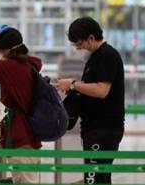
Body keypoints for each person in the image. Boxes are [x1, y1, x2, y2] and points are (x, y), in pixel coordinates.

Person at [55, 17, 124, 184]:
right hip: (95, 129)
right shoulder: (96, 57)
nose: (79, 49)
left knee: (94, 179)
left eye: (79, 44)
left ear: (91, 38)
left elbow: (101, 90)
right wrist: (73, 86)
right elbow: (90, 87)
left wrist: (73, 84)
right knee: (100, 178)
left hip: (103, 130)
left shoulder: (107, 56)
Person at [0, 25, 42, 184]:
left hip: (21, 136)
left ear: (7, 51)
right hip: (27, 136)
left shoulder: (14, 68)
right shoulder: (26, 66)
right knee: (25, 179)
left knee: (25, 181)